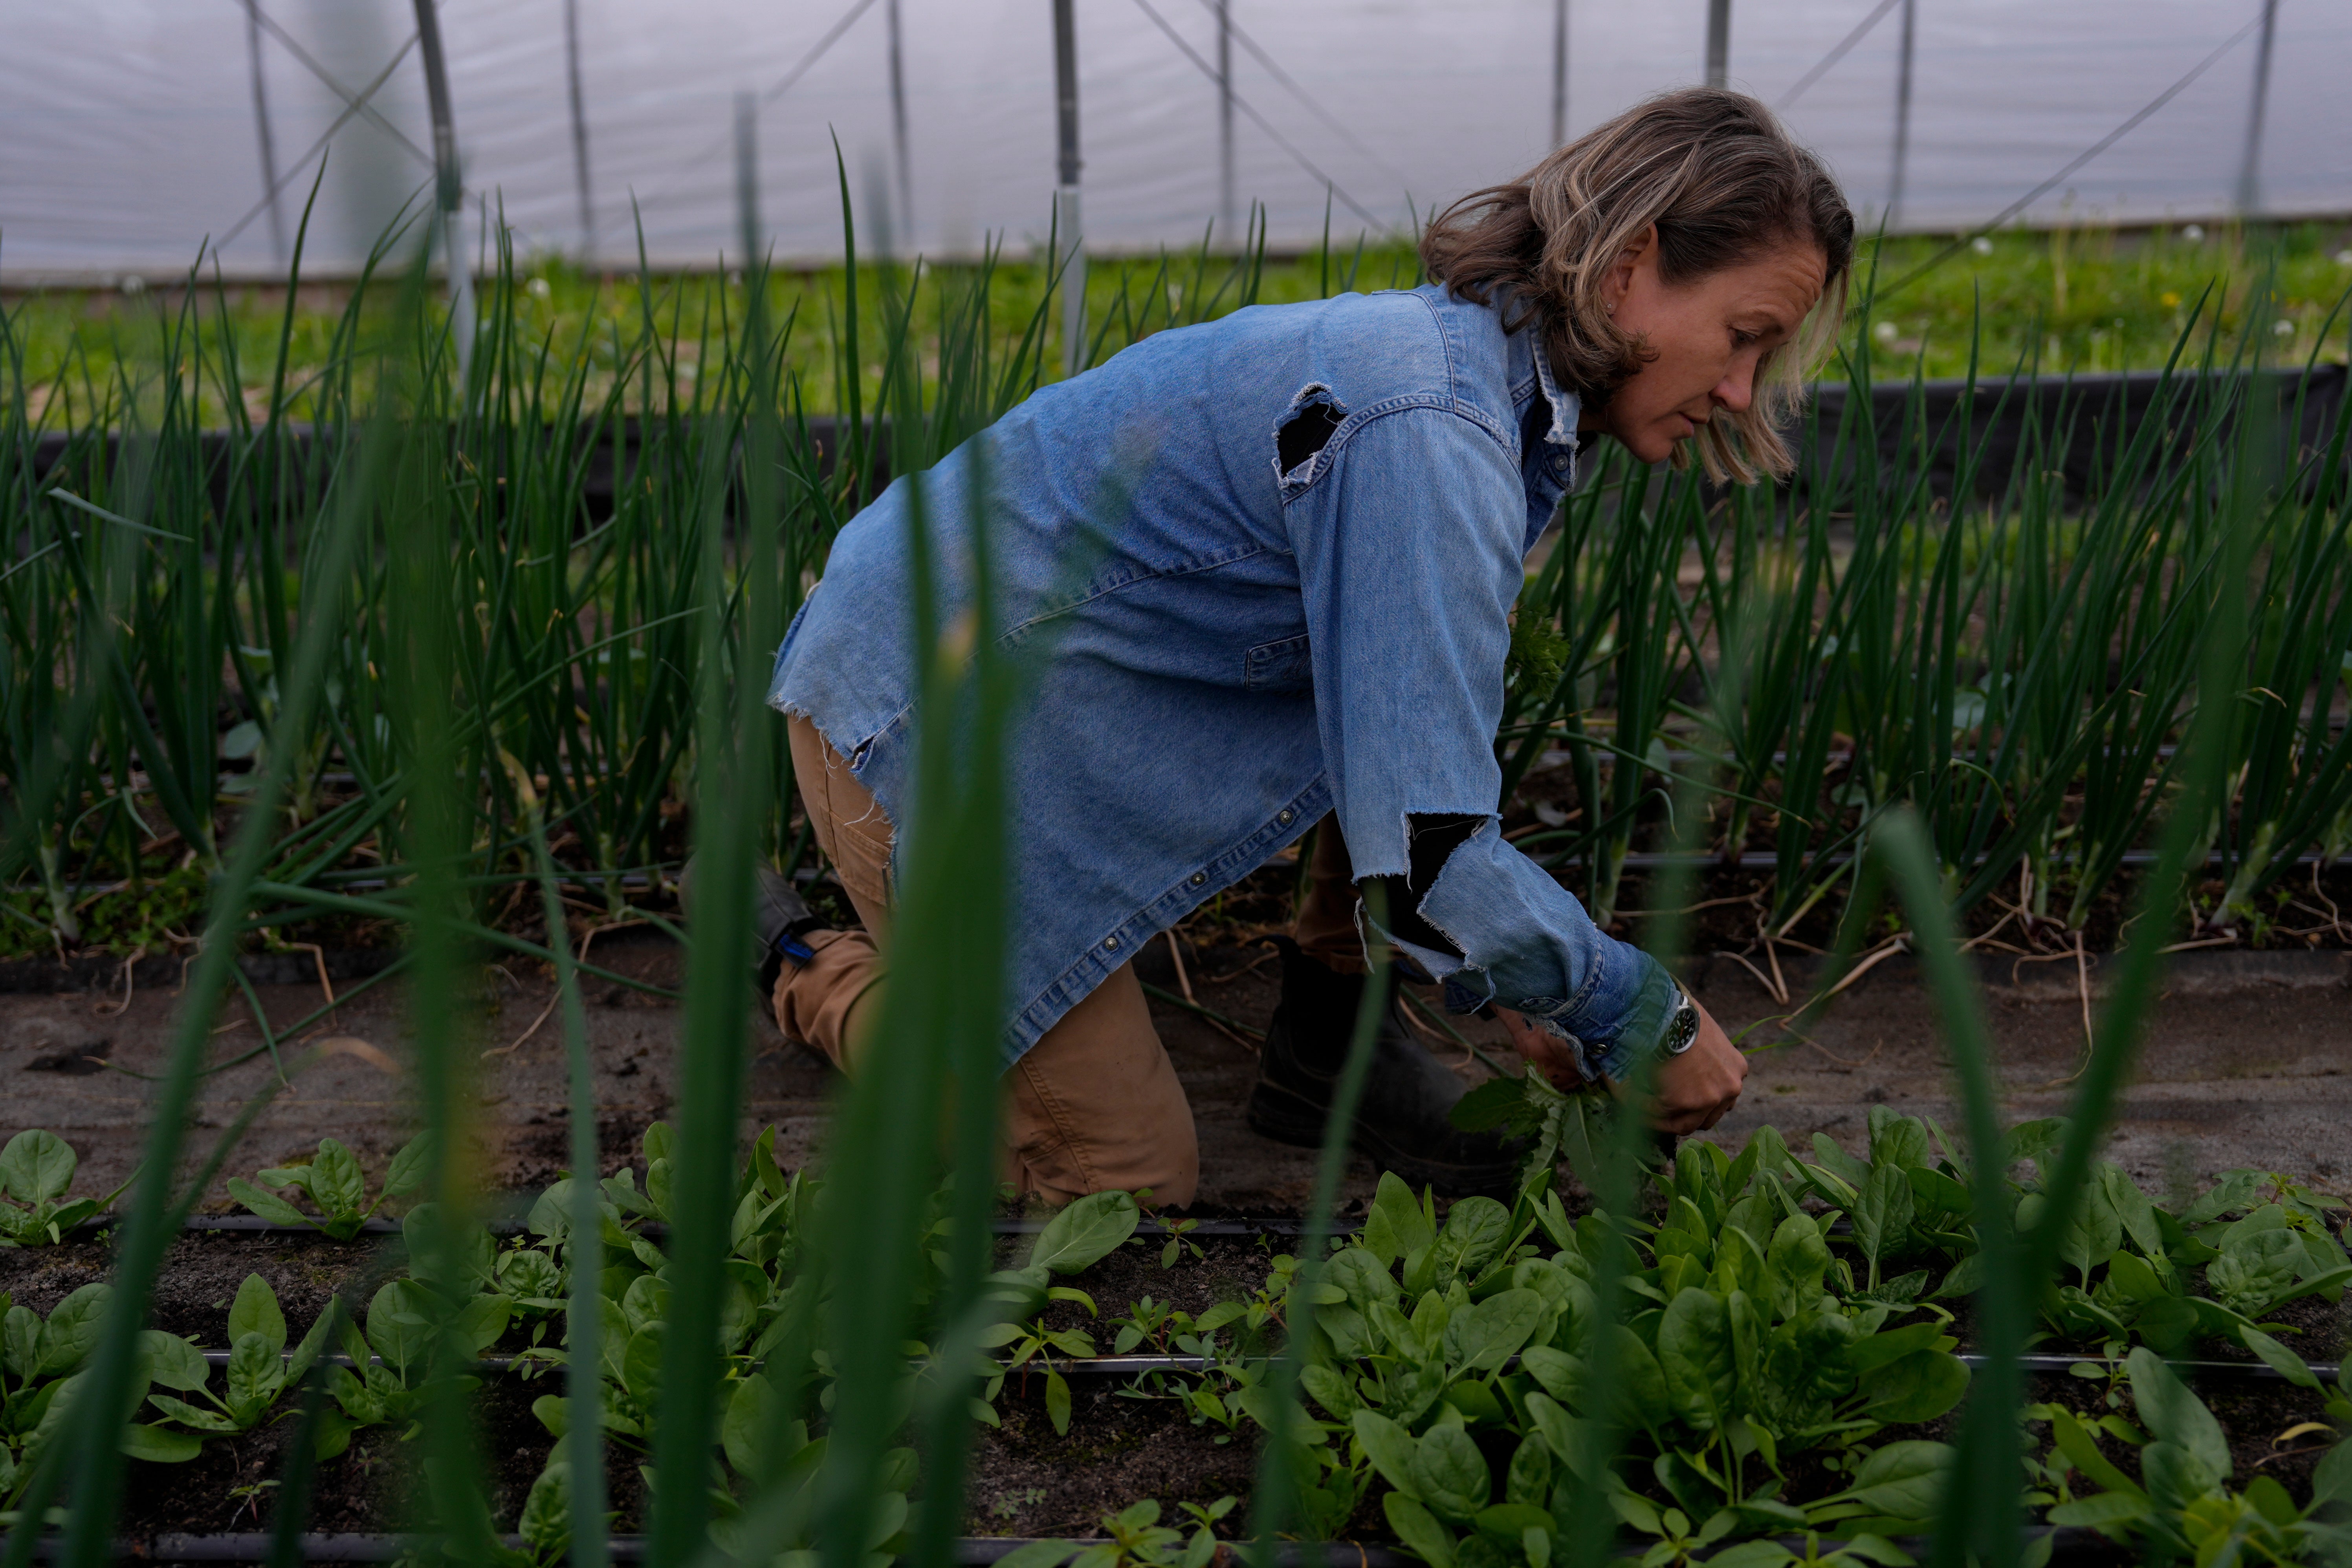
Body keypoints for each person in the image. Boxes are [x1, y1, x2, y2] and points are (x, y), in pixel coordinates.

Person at [735, 87, 1853, 1210]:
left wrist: (1526, 988)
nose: (1739, 390)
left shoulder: (1481, 389)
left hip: (1045, 681)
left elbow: (1412, 739)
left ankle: (1328, 1050)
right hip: (916, 705)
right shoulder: (1427, 424)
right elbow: (1430, 854)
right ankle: (809, 969)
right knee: (1116, 1178)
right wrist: (1629, 1009)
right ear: (1628, 267)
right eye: (1743, 335)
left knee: (1430, 670)